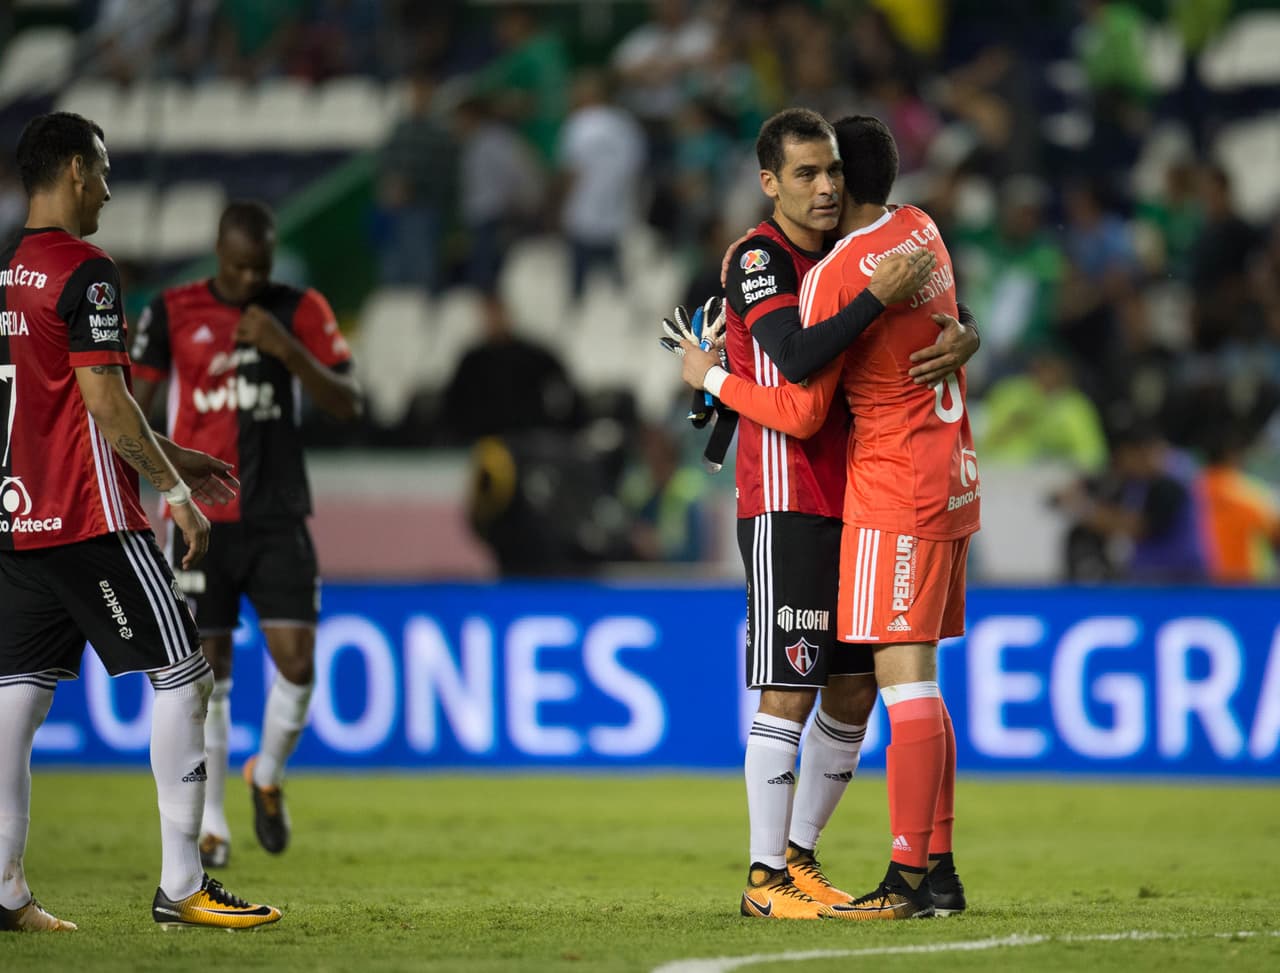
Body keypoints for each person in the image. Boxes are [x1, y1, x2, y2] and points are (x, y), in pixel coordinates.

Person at [671, 108, 978, 919]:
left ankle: (801, 855)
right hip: (789, 496)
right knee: (788, 689)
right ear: (769, 183)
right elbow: (800, 372)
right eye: (805, 174)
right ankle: (764, 876)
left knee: (853, 690)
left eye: (833, 170)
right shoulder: (762, 258)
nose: (824, 186)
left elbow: (917, 310)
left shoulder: (848, 250)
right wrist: (709, 378)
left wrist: (964, 333)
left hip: (861, 497)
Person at [0, 111, 280, 931]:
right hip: (92, 515)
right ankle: (183, 884)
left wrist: (176, 456)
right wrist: (176, 494)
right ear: (75, 171)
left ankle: (4, 891)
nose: (109, 189)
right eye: (104, 170)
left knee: (16, 702)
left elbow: (65, 403)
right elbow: (102, 399)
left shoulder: (10, 271)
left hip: (20, 513)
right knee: (186, 676)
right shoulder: (86, 270)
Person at [130, 200, 362, 871]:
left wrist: (286, 349)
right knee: (208, 673)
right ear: (218, 254)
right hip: (201, 522)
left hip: (279, 514)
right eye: (239, 267)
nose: (252, 279)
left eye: (261, 267)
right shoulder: (170, 310)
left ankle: (267, 772)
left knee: (298, 663)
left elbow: (349, 402)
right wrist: (165, 486)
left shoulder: (300, 308)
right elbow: (131, 414)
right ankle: (213, 825)